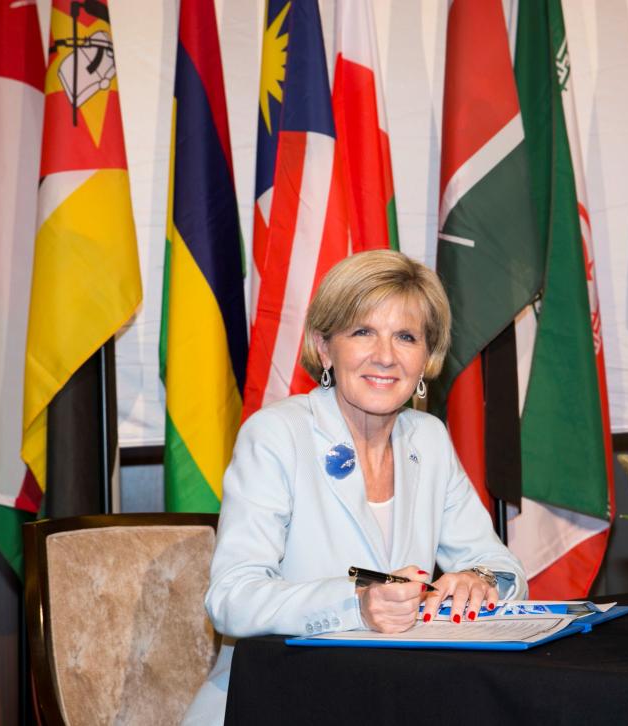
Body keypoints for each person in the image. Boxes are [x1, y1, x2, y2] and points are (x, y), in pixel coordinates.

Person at [184, 249, 526, 724]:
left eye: (406, 337)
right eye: (363, 331)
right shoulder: (277, 435)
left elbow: (502, 569)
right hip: (278, 700)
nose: (385, 356)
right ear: (325, 347)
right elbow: (231, 599)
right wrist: (358, 604)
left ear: (426, 358)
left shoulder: (427, 439)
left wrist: (479, 582)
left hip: (392, 698)